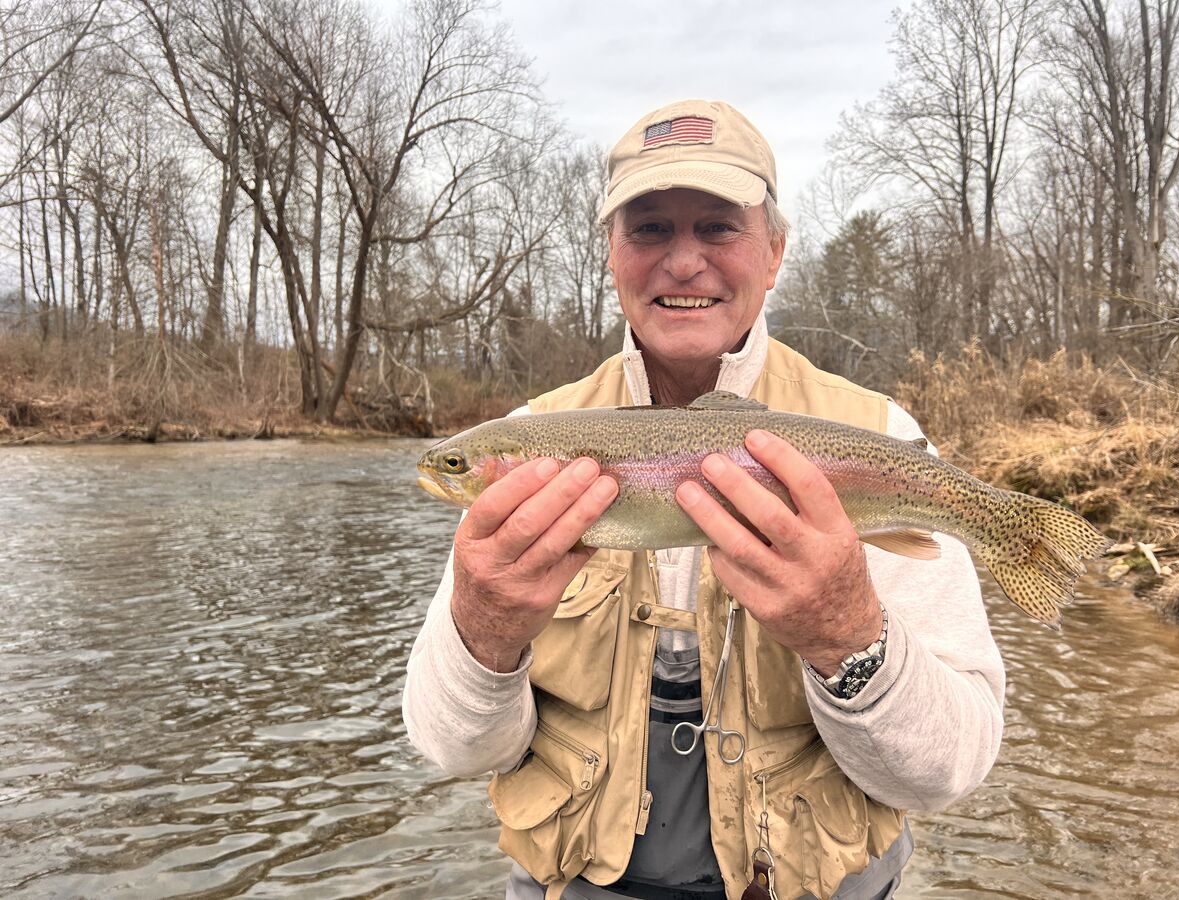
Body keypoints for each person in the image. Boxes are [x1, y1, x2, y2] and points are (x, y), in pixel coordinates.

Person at [402, 99, 1005, 900]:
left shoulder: (879, 431)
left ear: (776, 251)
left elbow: (948, 774)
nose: (684, 263)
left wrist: (849, 637)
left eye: (718, 227)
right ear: (611, 253)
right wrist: (485, 631)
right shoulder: (529, 434)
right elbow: (455, 753)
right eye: (648, 229)